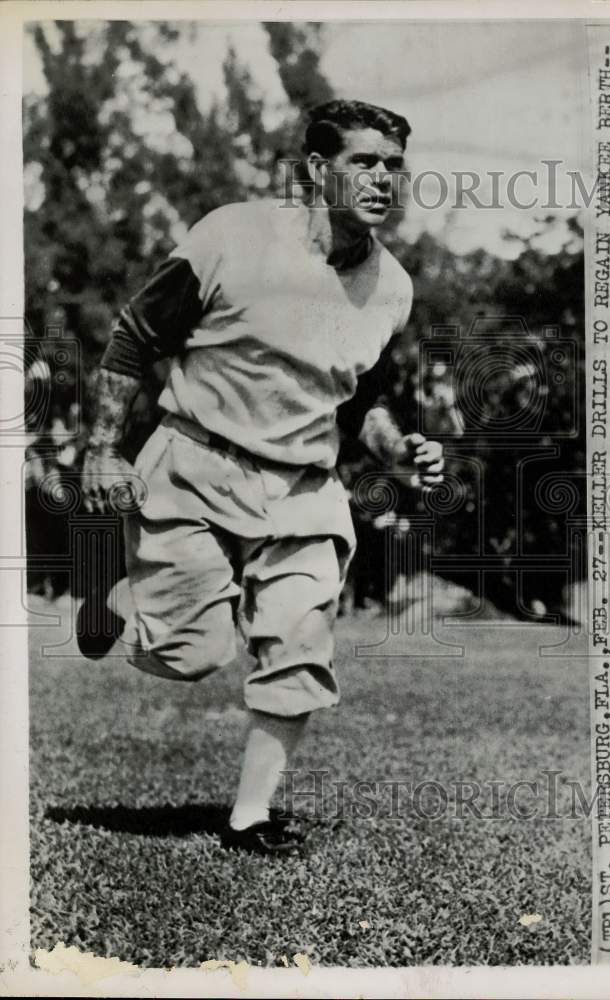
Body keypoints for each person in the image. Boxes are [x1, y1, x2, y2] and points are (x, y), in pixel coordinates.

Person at [79, 99, 444, 855]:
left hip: (305, 488)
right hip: (196, 462)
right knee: (190, 655)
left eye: (394, 166)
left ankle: (249, 818)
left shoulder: (393, 289)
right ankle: (120, 597)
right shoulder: (232, 237)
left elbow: (359, 404)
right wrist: (103, 448)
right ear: (316, 169)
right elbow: (134, 339)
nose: (383, 179)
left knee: (300, 648)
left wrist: (399, 452)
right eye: (363, 162)